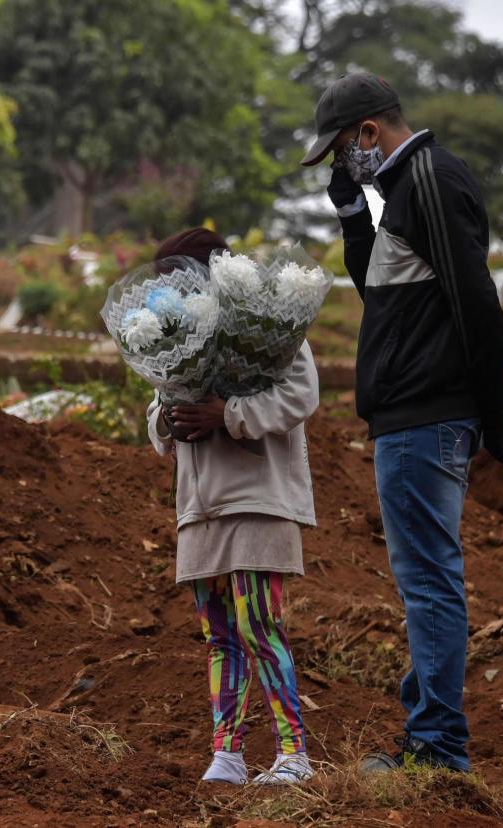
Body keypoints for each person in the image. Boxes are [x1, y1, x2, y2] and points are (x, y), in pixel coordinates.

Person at [301, 74, 503, 774]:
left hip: (425, 417)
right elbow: (385, 292)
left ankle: (437, 749)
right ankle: (428, 729)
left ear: (369, 132)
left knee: (429, 582)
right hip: (416, 416)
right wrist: (351, 216)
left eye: (342, 151)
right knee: (426, 579)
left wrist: (494, 416)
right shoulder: (402, 189)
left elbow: (476, 302)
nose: (343, 164)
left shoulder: (428, 177)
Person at [145, 228, 319, 787]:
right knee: (219, 634)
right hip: (200, 505)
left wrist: (227, 416)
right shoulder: (177, 337)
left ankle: (294, 753)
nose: (168, 294)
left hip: (258, 498)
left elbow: (300, 394)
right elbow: (157, 411)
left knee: (258, 623)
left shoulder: (266, 327)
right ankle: (229, 754)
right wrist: (169, 420)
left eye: (178, 281)